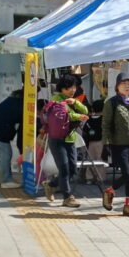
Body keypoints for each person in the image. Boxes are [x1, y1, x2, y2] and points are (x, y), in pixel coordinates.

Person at [102, 71, 129, 217]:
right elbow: (106, 125)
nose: (127, 86)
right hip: (118, 144)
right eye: (124, 84)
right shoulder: (111, 103)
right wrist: (106, 144)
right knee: (126, 173)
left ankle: (128, 205)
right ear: (117, 86)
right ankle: (110, 191)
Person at [45, 75, 89, 208]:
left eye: (74, 87)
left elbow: (86, 110)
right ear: (62, 88)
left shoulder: (72, 100)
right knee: (64, 169)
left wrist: (75, 103)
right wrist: (78, 116)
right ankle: (67, 197)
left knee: (72, 169)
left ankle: (51, 185)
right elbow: (63, 116)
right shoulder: (56, 100)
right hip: (57, 139)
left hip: (70, 139)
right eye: (69, 88)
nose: (72, 90)